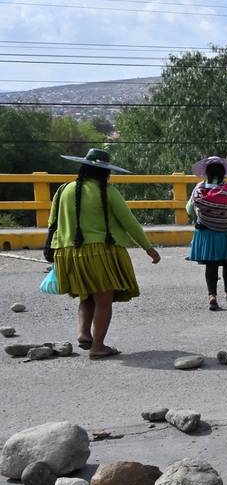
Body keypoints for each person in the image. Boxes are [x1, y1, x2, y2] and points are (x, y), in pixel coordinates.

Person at [49, 148, 160, 359]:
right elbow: (129, 223)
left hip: (68, 252)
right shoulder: (107, 192)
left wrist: (54, 251)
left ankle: (84, 333)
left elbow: (52, 223)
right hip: (100, 252)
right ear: (105, 172)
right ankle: (98, 346)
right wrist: (148, 247)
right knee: (103, 299)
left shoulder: (63, 190)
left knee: (86, 293)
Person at [186, 156, 227, 310]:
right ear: (223, 174)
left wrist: (199, 217)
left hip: (207, 232)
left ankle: (212, 295)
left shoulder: (200, 188)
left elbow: (189, 209)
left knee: (211, 264)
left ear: (206, 173)